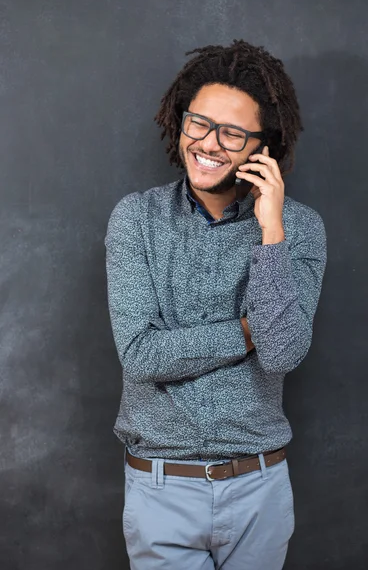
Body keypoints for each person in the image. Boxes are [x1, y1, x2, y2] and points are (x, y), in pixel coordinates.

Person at [104, 39, 327, 570]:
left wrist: (271, 232)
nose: (208, 143)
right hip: (161, 488)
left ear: (262, 145)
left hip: (260, 489)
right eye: (198, 123)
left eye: (233, 133)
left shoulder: (299, 228)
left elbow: (282, 353)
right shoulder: (136, 219)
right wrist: (246, 331)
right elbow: (140, 354)